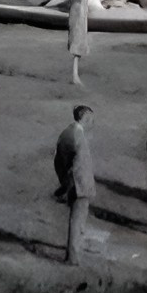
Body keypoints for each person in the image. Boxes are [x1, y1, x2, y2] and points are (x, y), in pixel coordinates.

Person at [54, 104, 97, 261]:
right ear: (84, 118)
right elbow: (79, 164)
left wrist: (64, 181)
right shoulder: (78, 136)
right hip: (80, 185)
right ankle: (73, 256)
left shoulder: (67, 132)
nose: (92, 123)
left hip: (73, 183)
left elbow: (59, 160)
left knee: (77, 220)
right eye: (90, 119)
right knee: (78, 221)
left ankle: (75, 251)